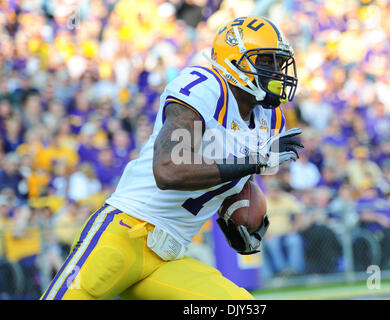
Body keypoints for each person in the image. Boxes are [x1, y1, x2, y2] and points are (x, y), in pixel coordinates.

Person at [41, 16, 303, 300]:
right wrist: (254, 161)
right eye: (266, 62)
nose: (277, 71)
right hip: (127, 233)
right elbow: (169, 172)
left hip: (169, 255)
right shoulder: (207, 88)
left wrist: (235, 219)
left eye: (279, 63)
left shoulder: (270, 119)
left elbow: (230, 181)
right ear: (233, 61)